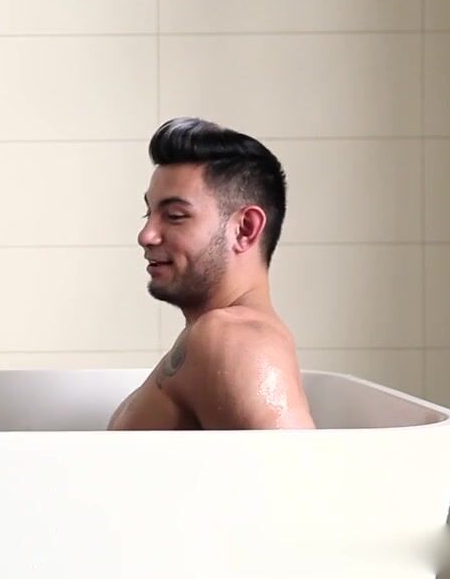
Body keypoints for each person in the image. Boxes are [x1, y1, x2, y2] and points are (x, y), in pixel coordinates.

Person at [108, 118, 315, 430]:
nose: (146, 235)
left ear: (245, 229)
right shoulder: (212, 335)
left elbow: (295, 462)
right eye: (149, 213)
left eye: (175, 216)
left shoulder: (235, 339)